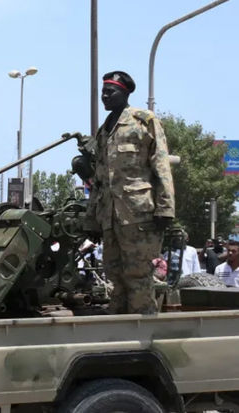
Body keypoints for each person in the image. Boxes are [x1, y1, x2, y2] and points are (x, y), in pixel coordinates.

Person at [86, 71, 175, 314]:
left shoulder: (143, 121)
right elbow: (99, 180)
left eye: (110, 91)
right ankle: (119, 330)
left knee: (139, 278)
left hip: (139, 216)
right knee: (115, 279)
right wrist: (92, 219)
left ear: (124, 93)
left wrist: (165, 208)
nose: (104, 96)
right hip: (110, 219)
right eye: (103, 92)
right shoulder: (104, 131)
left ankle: (142, 331)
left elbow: (161, 166)